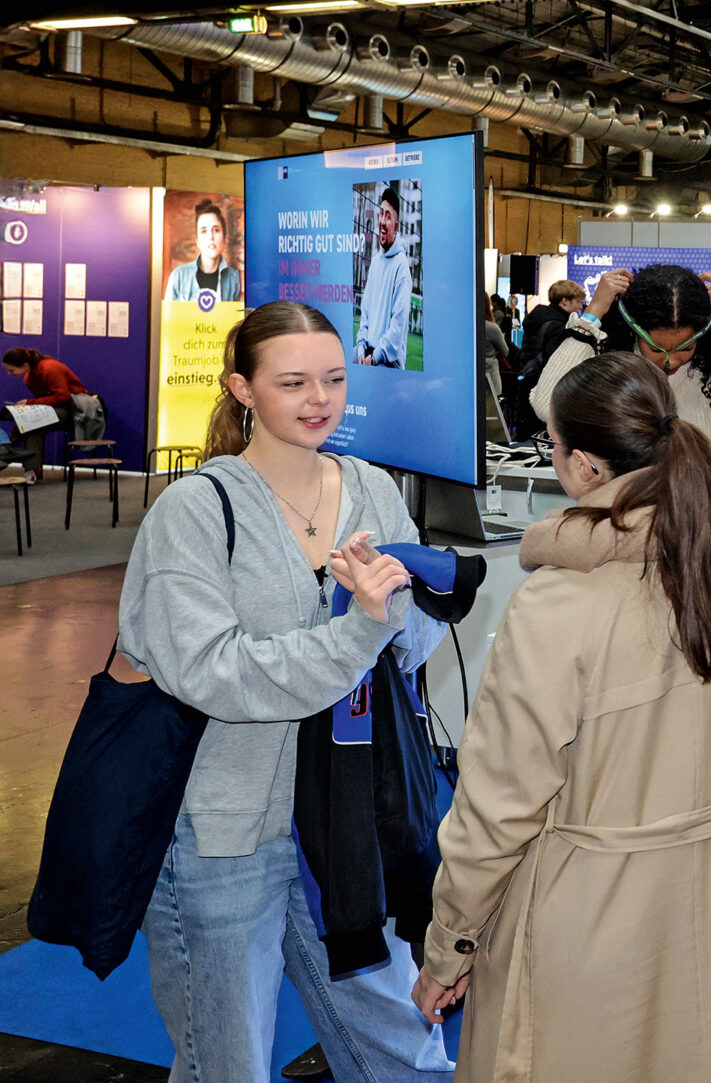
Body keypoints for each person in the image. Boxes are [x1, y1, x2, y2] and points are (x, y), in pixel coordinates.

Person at [417, 352, 711, 1080]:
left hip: (577, 919)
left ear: (585, 465)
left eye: (552, 446)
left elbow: (498, 803)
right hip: (710, 902)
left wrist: (449, 945)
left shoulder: (561, 602)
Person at [116, 301, 452, 1082]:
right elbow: (212, 672)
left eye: (333, 379)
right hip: (226, 832)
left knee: (399, 1043)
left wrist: (394, 612)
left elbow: (414, 646)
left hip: (348, 825)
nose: (318, 399)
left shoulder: (371, 486)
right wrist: (358, 630)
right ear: (243, 389)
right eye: (293, 381)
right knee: (224, 1061)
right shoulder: (196, 509)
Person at [530, 263, 711, 444]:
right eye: (655, 349)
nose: (670, 361)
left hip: (701, 515)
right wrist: (593, 314)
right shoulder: (611, 367)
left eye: (686, 347)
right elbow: (548, 407)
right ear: (633, 332)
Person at [2, 346, 95, 482]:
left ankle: (8, 448)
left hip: (75, 410)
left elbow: (63, 396)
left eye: (11, 370)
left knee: (32, 421)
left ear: (25, 364)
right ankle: (31, 471)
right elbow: (45, 401)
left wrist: (29, 403)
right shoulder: (30, 378)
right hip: (58, 410)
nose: (10, 373)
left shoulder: (50, 368)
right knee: (32, 426)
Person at [354, 184, 413, 368]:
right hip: (369, 353)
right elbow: (365, 314)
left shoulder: (402, 266)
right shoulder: (376, 262)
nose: (382, 220)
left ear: (395, 226)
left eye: (388, 216)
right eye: (381, 214)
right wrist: (362, 348)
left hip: (388, 362)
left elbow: (397, 328)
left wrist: (375, 357)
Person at [165, 198, 245, 301]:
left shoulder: (235, 279)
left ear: (224, 237)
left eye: (216, 230)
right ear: (197, 240)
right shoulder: (178, 277)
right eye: (204, 231)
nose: (210, 237)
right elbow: (168, 317)